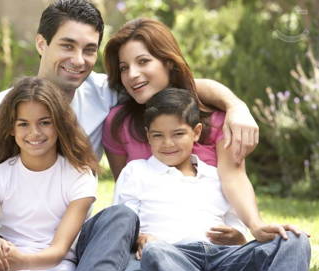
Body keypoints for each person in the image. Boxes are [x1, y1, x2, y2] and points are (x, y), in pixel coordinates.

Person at [0, 0, 258, 271]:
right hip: (13, 242)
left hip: (79, 241)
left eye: (89, 50)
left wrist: (235, 104)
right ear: (41, 43)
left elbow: (173, 85)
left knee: (120, 218)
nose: (78, 60)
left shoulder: (103, 93)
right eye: (67, 45)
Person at [114, 88, 311, 271]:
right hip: (172, 257)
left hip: (222, 259)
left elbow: (237, 230)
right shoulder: (136, 171)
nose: (168, 143)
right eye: (158, 135)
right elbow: (122, 227)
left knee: (294, 240)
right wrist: (141, 239)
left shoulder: (216, 176)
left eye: (178, 134)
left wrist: (237, 238)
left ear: (196, 132)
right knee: (155, 251)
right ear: (148, 135)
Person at [102, 18, 264, 245]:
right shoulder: (118, 124)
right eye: (124, 68)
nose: (132, 75)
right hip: (155, 246)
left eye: (143, 61)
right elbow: (127, 197)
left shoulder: (215, 119)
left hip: (212, 245)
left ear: (168, 62)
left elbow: (234, 178)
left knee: (291, 243)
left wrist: (255, 226)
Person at [0, 76, 98, 271]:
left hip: (53, 268)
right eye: (23, 124)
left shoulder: (80, 176)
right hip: (1, 262)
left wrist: (19, 262)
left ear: (59, 125)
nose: (34, 133)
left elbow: (58, 252)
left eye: (45, 122)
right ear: (11, 128)